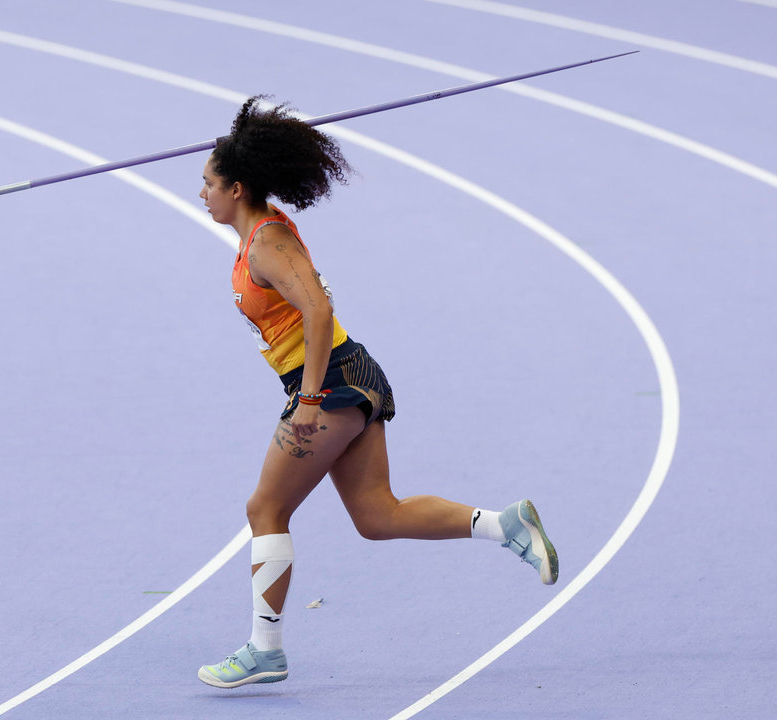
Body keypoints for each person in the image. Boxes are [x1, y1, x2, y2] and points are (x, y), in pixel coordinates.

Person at [196, 96, 558, 689]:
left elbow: (318, 311)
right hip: (348, 375)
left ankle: (266, 650)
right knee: (376, 515)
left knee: (265, 508)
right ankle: (506, 525)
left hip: (331, 383)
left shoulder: (266, 243)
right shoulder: (261, 233)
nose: (201, 194)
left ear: (237, 188)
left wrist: (308, 401)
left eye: (207, 184)